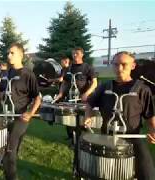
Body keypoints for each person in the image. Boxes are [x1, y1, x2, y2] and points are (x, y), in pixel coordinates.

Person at [84, 51, 155, 179]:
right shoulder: (104, 87)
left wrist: (152, 129)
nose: (119, 68)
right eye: (116, 65)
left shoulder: (143, 89)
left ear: (133, 66)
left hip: (133, 138)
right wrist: (88, 116)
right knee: (106, 174)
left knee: (147, 174)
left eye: (124, 64)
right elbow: (90, 103)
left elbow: (150, 114)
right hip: (107, 138)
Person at [1, 43, 41, 180]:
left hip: (21, 117)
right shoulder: (7, 73)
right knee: (12, 147)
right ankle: (7, 164)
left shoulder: (28, 74)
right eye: (8, 53)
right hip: (6, 115)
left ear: (21, 55)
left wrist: (30, 113)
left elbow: (37, 98)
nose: (8, 55)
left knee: (9, 148)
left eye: (12, 53)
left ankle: (11, 176)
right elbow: (1, 92)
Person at [54, 48, 98, 143]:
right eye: (73, 54)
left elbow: (95, 83)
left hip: (83, 98)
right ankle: (71, 138)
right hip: (70, 97)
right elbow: (65, 83)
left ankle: (83, 140)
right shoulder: (68, 68)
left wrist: (86, 93)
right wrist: (60, 94)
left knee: (81, 120)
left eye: (77, 53)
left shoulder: (87, 67)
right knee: (69, 118)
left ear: (82, 54)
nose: (74, 55)